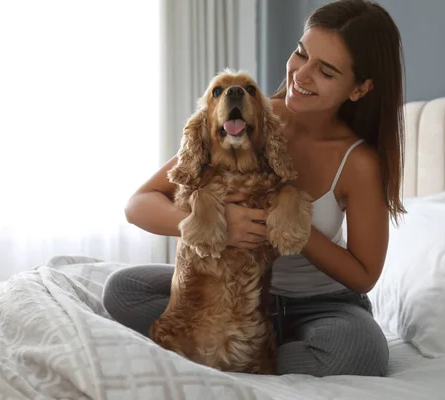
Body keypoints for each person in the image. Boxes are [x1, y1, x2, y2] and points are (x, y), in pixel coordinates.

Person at [102, 0, 406, 377]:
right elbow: (138, 204)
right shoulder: (249, 116)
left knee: (359, 349)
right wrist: (211, 222)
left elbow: (364, 275)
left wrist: (286, 220)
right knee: (123, 289)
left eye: (325, 71)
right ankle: (237, 349)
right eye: (301, 53)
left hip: (318, 305)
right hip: (226, 294)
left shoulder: (359, 162)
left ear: (360, 88)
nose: (301, 75)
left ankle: (241, 359)